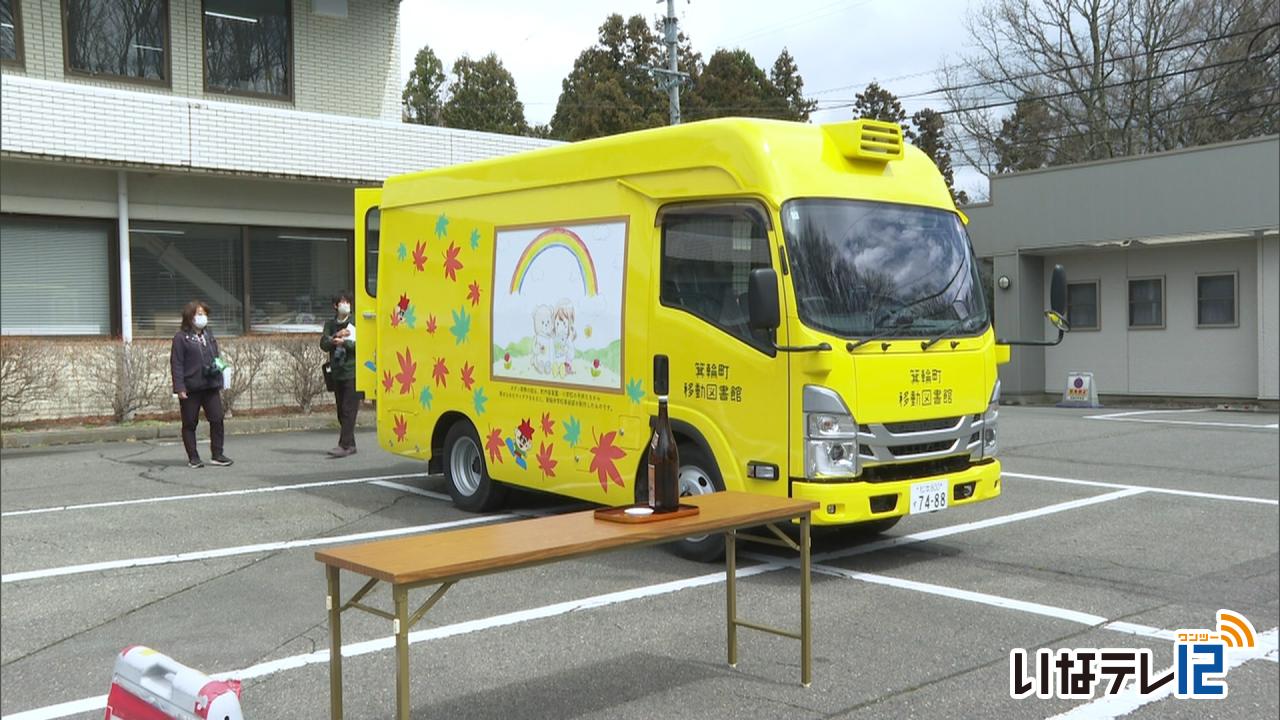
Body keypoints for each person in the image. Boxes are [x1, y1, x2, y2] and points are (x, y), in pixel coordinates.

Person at [170, 300, 232, 468]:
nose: (202, 317)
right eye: (199, 314)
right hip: (191, 387)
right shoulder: (181, 338)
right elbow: (177, 363)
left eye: (204, 314)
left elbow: (216, 357)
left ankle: (217, 454)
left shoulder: (209, 335)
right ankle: (193, 457)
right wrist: (179, 387)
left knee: (217, 418)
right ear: (190, 317)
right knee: (190, 422)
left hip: (210, 384)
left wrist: (223, 370)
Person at [320, 291, 359, 457]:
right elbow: (323, 343)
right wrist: (335, 337)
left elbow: (360, 345)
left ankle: (344, 445)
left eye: (348, 302)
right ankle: (351, 443)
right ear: (335, 306)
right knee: (341, 411)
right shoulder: (330, 325)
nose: (346, 305)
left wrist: (346, 342)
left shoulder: (355, 322)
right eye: (342, 302)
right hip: (337, 372)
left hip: (352, 371)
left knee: (349, 409)